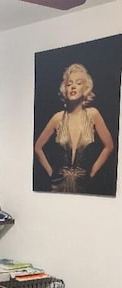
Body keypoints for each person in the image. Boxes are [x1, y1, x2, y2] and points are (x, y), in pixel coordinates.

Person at [34, 63, 114, 193]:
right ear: (64, 89)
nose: (73, 86)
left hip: (85, 185)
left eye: (78, 83)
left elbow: (109, 146)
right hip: (58, 185)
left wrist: (92, 172)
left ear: (86, 88)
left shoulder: (93, 114)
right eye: (69, 84)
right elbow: (37, 147)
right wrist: (51, 173)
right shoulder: (58, 118)